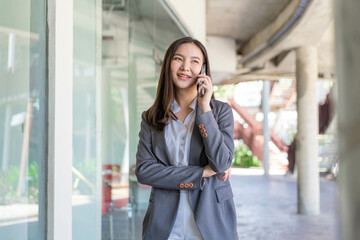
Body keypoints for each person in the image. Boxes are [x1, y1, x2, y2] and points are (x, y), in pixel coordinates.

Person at [135, 37, 238, 240]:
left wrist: (204, 109)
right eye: (178, 59)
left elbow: (221, 162)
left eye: (194, 61)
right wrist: (200, 173)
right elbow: (144, 172)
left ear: (203, 69)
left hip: (211, 222)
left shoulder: (220, 112)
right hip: (164, 224)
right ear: (168, 64)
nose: (185, 67)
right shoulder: (151, 116)